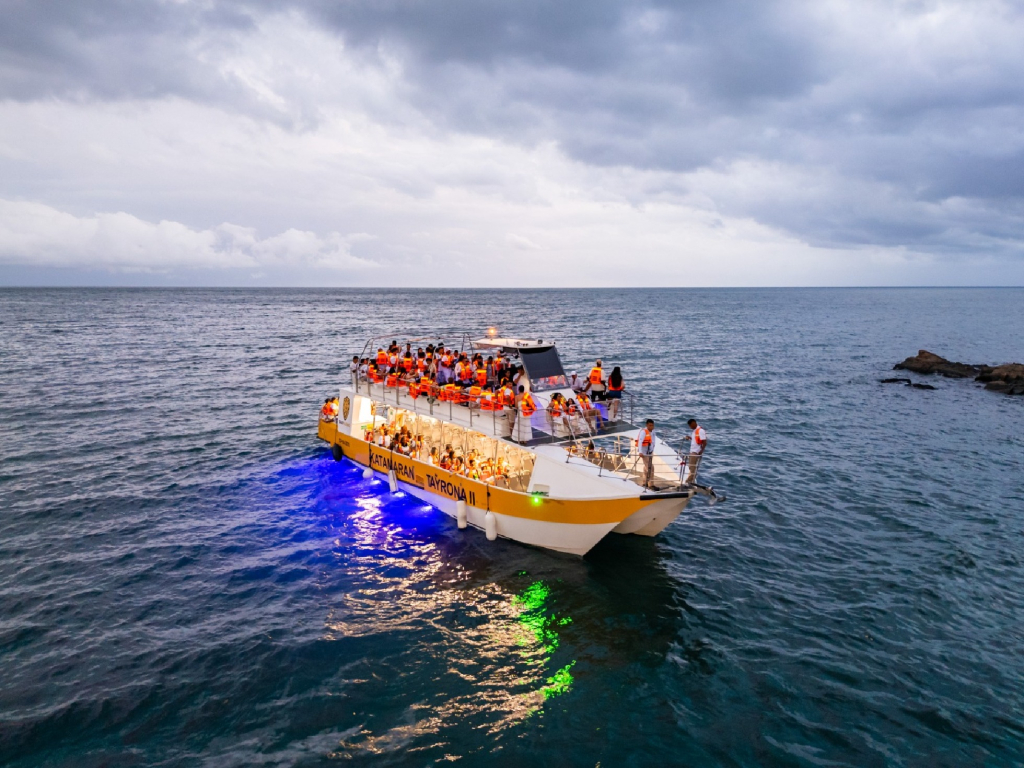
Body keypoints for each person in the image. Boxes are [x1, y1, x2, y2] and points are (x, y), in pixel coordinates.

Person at [683, 419, 707, 484]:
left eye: (690, 425)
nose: (690, 427)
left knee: (692, 467)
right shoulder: (694, 431)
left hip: (695, 452)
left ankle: (689, 481)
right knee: (691, 466)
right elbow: (696, 440)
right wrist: (690, 438)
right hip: (693, 450)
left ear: (693, 423)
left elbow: (704, 442)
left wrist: (701, 451)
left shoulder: (700, 431)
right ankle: (690, 480)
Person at [635, 418, 656, 489]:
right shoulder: (643, 432)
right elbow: (640, 442)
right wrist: (640, 452)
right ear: (647, 425)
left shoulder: (653, 432)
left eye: (652, 425)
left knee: (646, 468)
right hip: (644, 453)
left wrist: (652, 450)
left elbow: (653, 441)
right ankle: (651, 484)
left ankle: (644, 483)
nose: (651, 427)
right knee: (650, 468)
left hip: (650, 452)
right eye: (650, 425)